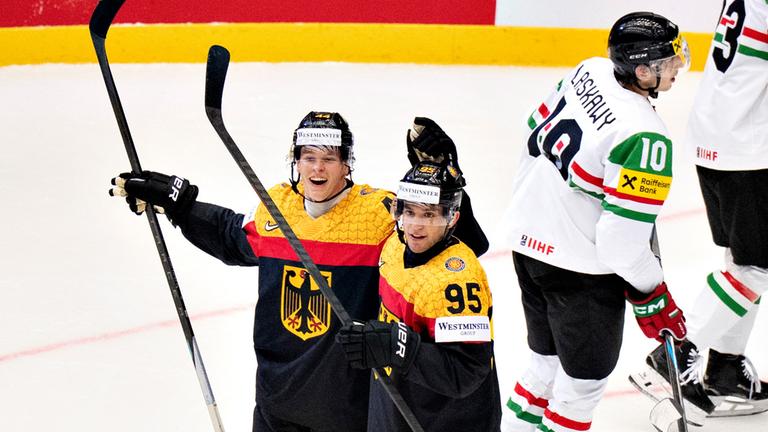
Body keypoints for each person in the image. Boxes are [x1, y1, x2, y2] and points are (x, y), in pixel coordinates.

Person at [108, 111, 488, 432]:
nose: (318, 168)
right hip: (276, 403)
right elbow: (231, 236)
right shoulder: (278, 208)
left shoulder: (378, 215)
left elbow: (451, 246)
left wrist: (448, 180)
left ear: (347, 163)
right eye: (309, 157)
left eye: (329, 158)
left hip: (348, 410)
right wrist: (180, 205)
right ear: (296, 161)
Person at [498, 12, 690, 431]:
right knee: (579, 391)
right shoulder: (645, 136)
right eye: (668, 60)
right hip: (578, 273)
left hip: (528, 245)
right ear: (642, 71)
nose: (678, 66)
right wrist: (653, 292)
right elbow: (621, 244)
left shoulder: (590, 70)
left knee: (544, 367)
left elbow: (533, 133)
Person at [640, 0, 768, 420]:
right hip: (748, 147)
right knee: (755, 267)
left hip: (720, 135)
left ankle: (726, 369)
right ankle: (678, 351)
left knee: (743, 263)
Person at [336, 160, 501, 432]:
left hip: (445, 423)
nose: (416, 226)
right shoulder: (394, 245)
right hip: (394, 413)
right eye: (410, 211)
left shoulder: (456, 281)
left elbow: (466, 371)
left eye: (429, 215)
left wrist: (396, 345)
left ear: (452, 218)